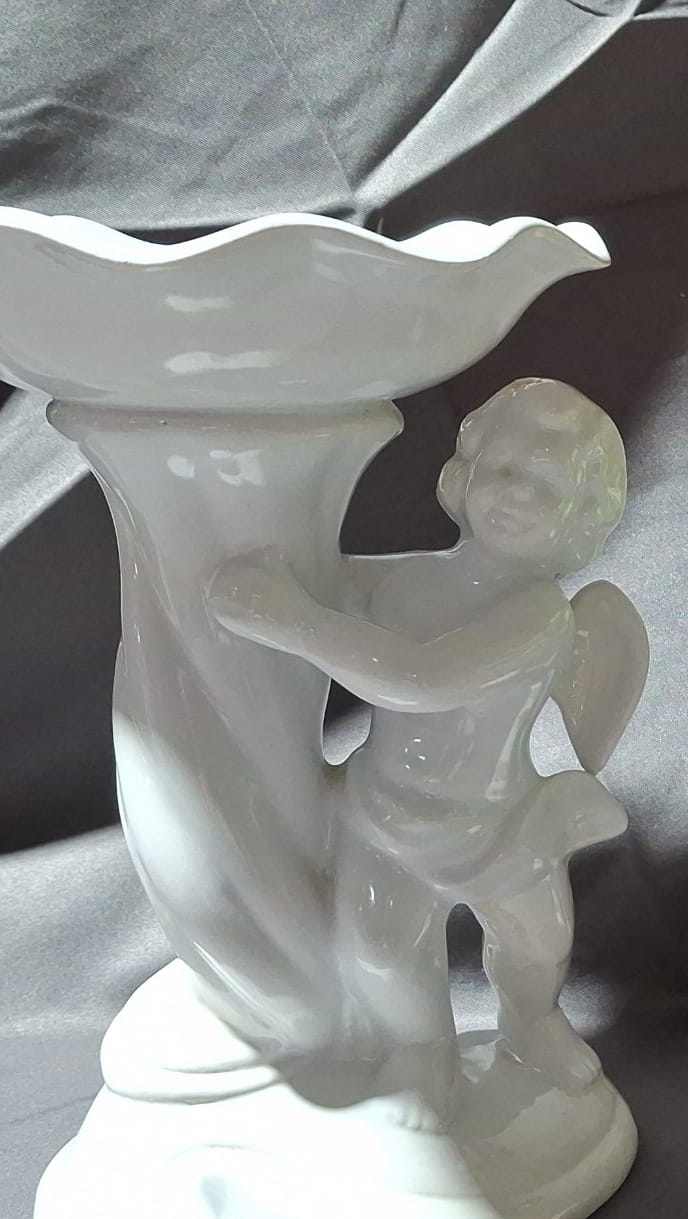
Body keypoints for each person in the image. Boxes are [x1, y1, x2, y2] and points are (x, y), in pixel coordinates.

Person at [205, 379, 646, 1129]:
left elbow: (420, 680)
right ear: (466, 472)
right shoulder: (411, 577)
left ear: (580, 518)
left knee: (538, 942)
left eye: (546, 487)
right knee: (380, 952)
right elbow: (331, 576)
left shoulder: (538, 612)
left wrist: (289, 618)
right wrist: (266, 565)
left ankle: (531, 1020)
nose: (516, 494)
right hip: (384, 814)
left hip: (501, 821)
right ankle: (421, 1050)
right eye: (505, 469)